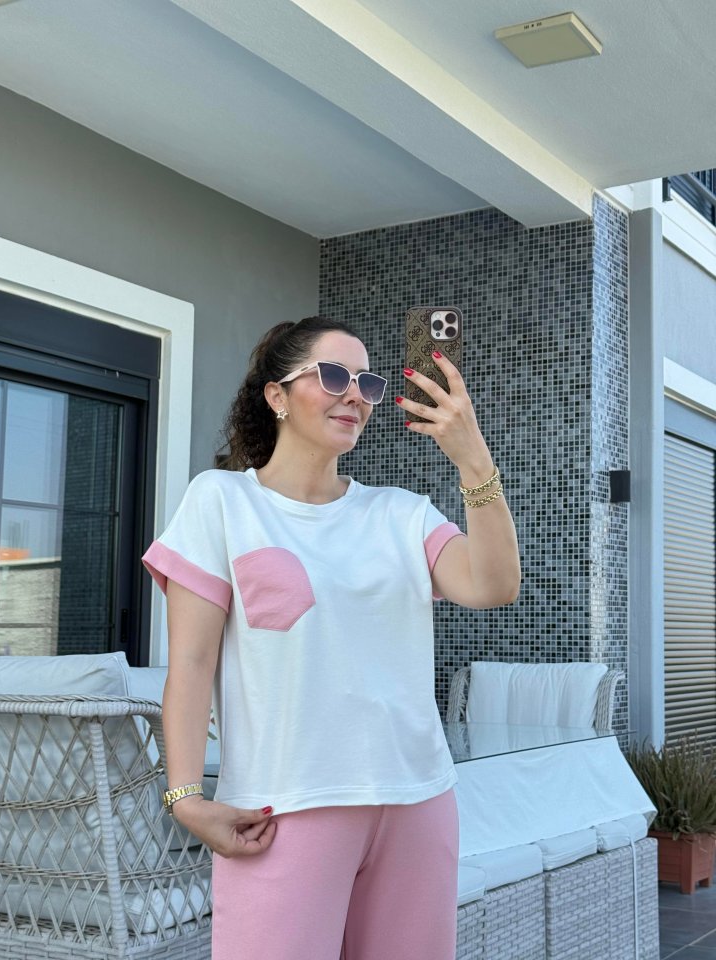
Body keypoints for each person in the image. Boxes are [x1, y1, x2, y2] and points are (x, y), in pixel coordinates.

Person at [142, 316, 520, 960]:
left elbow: (494, 584)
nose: (355, 395)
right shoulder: (222, 502)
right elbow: (193, 664)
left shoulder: (401, 514)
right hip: (281, 810)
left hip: (416, 803)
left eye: (367, 383)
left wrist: (472, 457)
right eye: (334, 375)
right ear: (278, 395)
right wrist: (185, 798)